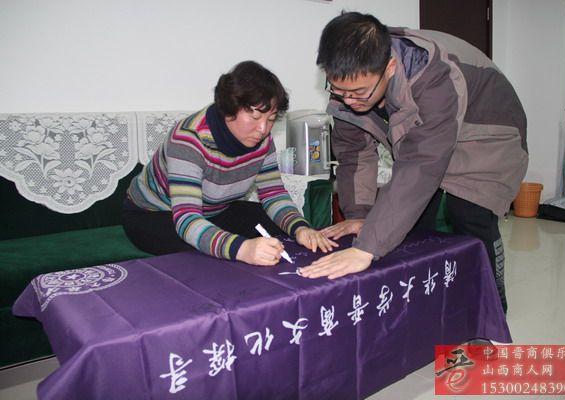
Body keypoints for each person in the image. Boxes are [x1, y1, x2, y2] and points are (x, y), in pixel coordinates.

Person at [300, 12, 528, 313]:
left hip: (487, 134)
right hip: (432, 139)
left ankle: (490, 312)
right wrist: (361, 215)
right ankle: (424, 308)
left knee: (469, 213)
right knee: (409, 226)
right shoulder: (348, 92)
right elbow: (354, 156)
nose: (349, 101)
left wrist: (366, 248)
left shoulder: (435, 78)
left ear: (390, 68)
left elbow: (422, 165)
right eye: (338, 90)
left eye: (359, 93)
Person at [123, 60, 336, 266]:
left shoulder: (262, 140)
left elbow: (273, 194)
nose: (263, 129)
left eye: (271, 118)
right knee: (203, 255)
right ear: (228, 109)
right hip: (156, 214)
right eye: (255, 117)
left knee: (279, 229)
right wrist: (242, 249)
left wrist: (300, 228)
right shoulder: (188, 139)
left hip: (214, 211)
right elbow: (187, 219)